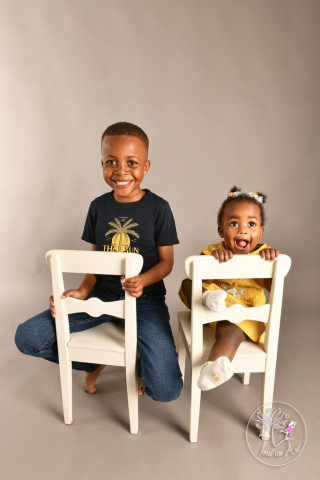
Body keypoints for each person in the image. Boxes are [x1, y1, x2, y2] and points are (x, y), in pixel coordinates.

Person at [15, 122, 183, 402]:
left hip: (145, 301)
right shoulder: (98, 207)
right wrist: (81, 292)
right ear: (102, 164)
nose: (121, 170)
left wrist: (143, 281)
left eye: (131, 162)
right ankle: (94, 361)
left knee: (166, 390)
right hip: (101, 296)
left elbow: (166, 263)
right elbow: (95, 261)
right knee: (28, 336)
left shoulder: (159, 208)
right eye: (111, 162)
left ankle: (140, 356)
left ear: (146, 166)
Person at [179, 186, 279, 391]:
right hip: (214, 308)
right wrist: (213, 261)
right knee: (187, 283)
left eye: (251, 224)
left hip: (245, 315)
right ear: (221, 230)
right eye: (234, 223)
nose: (243, 230)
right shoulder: (214, 251)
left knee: (230, 333)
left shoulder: (265, 256)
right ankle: (208, 299)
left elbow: (273, 287)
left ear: (260, 232)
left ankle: (213, 369)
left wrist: (270, 264)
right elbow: (196, 271)